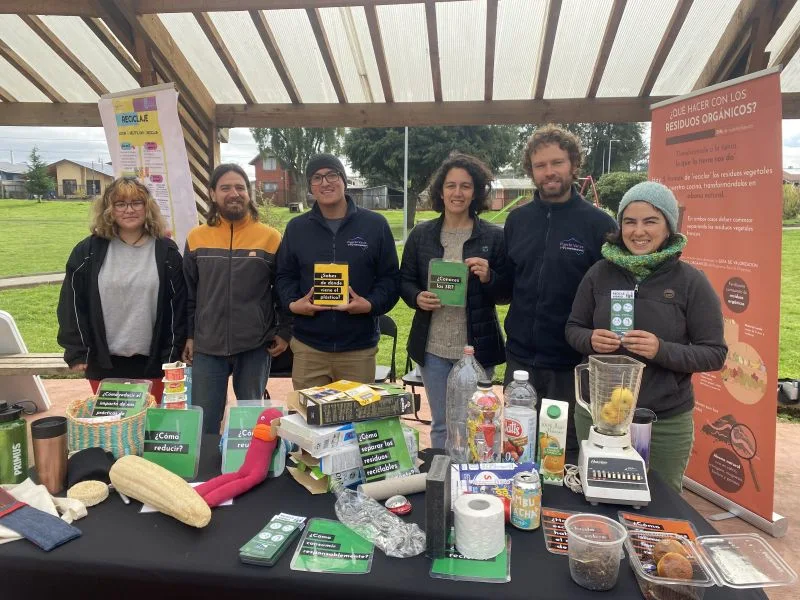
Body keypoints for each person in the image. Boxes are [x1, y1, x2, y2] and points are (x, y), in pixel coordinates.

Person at [565, 181, 727, 492]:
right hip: (599, 417)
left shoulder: (691, 282)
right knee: (596, 495)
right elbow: (573, 328)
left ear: (668, 226)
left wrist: (661, 350)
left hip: (663, 421)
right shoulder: (599, 274)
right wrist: (590, 340)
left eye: (650, 221)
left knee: (662, 505)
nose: (639, 231)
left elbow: (714, 353)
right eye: (630, 221)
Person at [497, 124, 617, 451]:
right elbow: (507, 285)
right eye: (540, 165)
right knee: (517, 444)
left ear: (573, 165)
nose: (549, 172)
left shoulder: (599, 224)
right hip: (520, 360)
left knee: (563, 449)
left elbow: (611, 294)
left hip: (571, 363)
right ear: (532, 171)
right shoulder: (517, 221)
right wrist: (485, 278)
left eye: (557, 163)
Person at [400, 153, 505, 449]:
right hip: (432, 348)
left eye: (466, 186)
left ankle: (472, 486)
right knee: (442, 425)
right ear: (440, 191)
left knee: (475, 422)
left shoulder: (493, 237)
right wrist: (417, 296)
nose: (457, 193)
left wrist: (489, 277)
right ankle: (440, 485)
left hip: (475, 350)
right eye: (451, 186)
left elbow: (506, 291)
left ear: (476, 192)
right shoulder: (422, 234)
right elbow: (404, 280)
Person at [275, 154, 400, 389]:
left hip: (358, 349)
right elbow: (284, 276)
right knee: (307, 422)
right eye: (317, 178)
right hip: (308, 348)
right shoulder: (296, 228)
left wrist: (370, 304)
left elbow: (390, 279)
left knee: (356, 423)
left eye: (332, 175)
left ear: (344, 180)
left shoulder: (375, 225)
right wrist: (293, 304)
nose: (325, 182)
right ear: (310, 186)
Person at [183, 164, 290, 433]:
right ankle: (207, 472)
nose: (234, 193)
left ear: (249, 193)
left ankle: (251, 470)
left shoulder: (270, 238)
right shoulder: (196, 238)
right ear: (212, 194)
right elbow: (189, 293)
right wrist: (189, 335)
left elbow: (284, 289)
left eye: (240, 187)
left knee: (251, 422)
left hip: (254, 345)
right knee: (205, 422)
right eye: (226, 188)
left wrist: (284, 331)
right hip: (207, 346)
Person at [57, 177, 186, 401]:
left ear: (147, 207)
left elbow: (178, 307)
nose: (129, 210)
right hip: (104, 361)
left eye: (137, 202)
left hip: (154, 362)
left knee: (150, 426)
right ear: (109, 209)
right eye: (120, 204)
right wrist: (78, 351)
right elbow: (73, 304)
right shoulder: (88, 251)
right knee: (112, 428)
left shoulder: (166, 252)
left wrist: (172, 355)